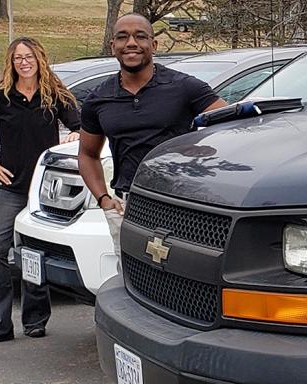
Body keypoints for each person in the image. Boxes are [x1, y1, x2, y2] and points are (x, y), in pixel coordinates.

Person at [0, 36, 81, 345]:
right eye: (18, 58)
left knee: (34, 252)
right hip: (10, 187)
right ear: (11, 63)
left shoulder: (54, 94)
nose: (23, 62)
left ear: (39, 59)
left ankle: (36, 319)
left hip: (42, 192)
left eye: (28, 57)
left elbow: (81, 125)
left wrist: (74, 135)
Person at [78, 13, 227, 258]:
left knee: (184, 276)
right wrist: (104, 199)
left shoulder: (185, 87)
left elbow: (231, 127)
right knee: (131, 279)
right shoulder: (98, 99)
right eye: (122, 37)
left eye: (140, 36)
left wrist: (205, 153)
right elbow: (87, 154)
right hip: (128, 206)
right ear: (112, 45)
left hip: (182, 202)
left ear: (153, 45)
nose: (131, 43)